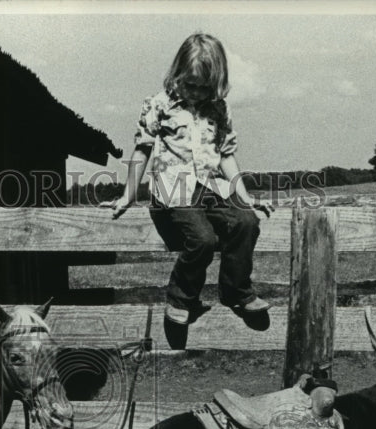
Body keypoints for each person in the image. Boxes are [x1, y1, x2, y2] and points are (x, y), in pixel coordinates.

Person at [103, 33, 273, 349]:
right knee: (203, 239)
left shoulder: (219, 109)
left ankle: (237, 292)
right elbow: (142, 151)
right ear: (177, 74)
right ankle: (181, 300)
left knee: (247, 222)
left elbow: (225, 155)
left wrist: (244, 194)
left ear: (217, 83)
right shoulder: (158, 105)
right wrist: (129, 194)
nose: (196, 93)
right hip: (173, 191)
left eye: (204, 88)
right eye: (190, 85)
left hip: (209, 187)